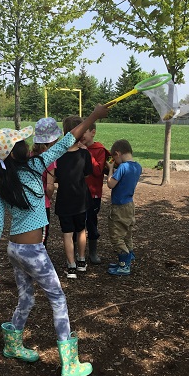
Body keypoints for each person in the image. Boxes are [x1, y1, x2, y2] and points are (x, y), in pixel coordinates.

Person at [0, 103, 110, 376]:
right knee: (58, 299)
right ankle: (69, 363)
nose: (27, 144)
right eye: (22, 142)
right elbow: (67, 140)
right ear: (18, 152)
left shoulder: (1, 181)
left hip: (14, 250)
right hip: (31, 251)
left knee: (26, 298)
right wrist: (93, 117)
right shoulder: (34, 166)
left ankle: (13, 346)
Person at [55, 115, 92, 279]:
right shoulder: (85, 154)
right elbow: (87, 173)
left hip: (64, 200)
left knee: (67, 233)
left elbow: (55, 176)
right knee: (81, 230)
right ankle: (82, 261)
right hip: (80, 200)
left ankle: (71, 266)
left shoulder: (57, 155)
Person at [105, 139, 142, 276]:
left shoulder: (123, 167)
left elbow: (111, 184)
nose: (114, 160)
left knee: (116, 235)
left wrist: (110, 170)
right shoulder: (137, 167)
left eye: (114, 157)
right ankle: (129, 256)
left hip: (119, 206)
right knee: (127, 233)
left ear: (118, 153)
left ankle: (124, 264)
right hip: (130, 204)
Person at [78, 123, 110, 264]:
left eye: (85, 131)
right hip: (78, 193)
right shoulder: (76, 148)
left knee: (91, 222)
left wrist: (87, 153)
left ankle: (93, 252)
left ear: (93, 132)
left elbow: (97, 171)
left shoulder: (99, 150)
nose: (82, 135)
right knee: (78, 223)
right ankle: (78, 253)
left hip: (93, 194)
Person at [31, 117, 62, 247]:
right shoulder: (49, 159)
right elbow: (49, 187)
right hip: (42, 205)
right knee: (43, 237)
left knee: (31, 233)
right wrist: (49, 196)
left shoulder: (30, 155)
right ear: (53, 140)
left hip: (29, 202)